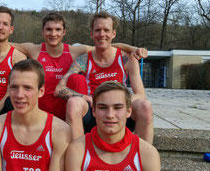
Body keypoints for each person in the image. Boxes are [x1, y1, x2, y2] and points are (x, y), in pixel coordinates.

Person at [0, 12, 147, 120]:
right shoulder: (34, 50)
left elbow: (106, 44)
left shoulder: (75, 51)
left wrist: (132, 48)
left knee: (77, 80)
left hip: (65, 113)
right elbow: (2, 40)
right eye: (49, 29)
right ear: (43, 31)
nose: (53, 33)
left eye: (58, 29)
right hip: (39, 115)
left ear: (64, 32)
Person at [55, 12, 153, 143]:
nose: (102, 34)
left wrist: (120, 103)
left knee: (145, 106)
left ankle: (142, 157)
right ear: (92, 34)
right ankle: (77, 155)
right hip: (95, 113)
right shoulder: (84, 60)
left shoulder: (127, 59)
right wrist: (85, 97)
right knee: (74, 103)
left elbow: (141, 94)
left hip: (120, 114)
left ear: (113, 33)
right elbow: (59, 89)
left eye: (106, 30)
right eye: (98, 30)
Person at [0, 59, 71, 171]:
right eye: (14, 87)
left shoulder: (60, 130)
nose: (19, 95)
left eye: (27, 88)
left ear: (41, 91)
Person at [65, 81, 161, 171]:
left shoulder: (148, 153)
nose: (110, 115)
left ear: (129, 111)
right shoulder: (78, 149)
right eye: (102, 107)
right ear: (93, 111)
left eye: (117, 107)